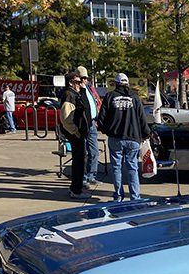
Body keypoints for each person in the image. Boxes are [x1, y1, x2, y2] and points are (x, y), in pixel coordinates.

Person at [98, 73, 151, 201]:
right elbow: (142, 118)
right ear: (127, 83)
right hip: (133, 137)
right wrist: (146, 134)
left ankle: (118, 195)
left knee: (116, 167)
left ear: (116, 84)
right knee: (132, 167)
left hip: (116, 137)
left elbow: (101, 119)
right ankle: (135, 197)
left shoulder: (110, 96)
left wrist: (108, 131)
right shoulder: (135, 97)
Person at [60, 71, 90, 199]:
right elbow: (66, 118)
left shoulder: (76, 93)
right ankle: (76, 190)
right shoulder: (69, 95)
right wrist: (75, 131)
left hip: (79, 132)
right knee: (78, 161)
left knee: (80, 160)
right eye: (77, 81)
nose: (80, 84)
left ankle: (77, 187)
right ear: (71, 82)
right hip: (75, 133)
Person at [76, 66, 100, 188]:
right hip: (83, 125)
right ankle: (84, 177)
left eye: (85, 78)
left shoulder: (89, 89)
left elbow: (95, 103)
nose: (84, 80)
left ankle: (91, 176)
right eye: (82, 78)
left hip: (92, 123)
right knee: (83, 153)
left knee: (94, 151)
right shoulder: (77, 91)